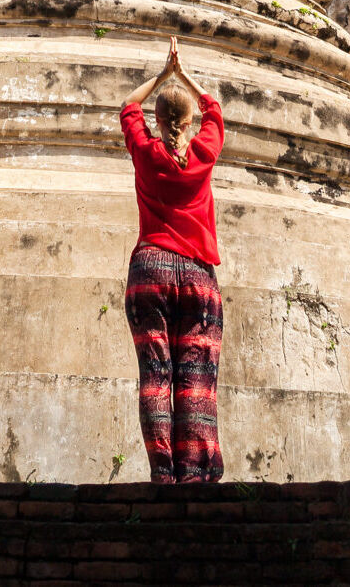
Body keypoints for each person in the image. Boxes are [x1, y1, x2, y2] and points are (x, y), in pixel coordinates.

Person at [119, 36, 225, 483]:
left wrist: (162, 77)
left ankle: (163, 472)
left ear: (158, 120)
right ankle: (195, 473)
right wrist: (183, 76)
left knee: (156, 374)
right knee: (195, 379)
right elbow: (214, 107)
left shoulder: (146, 152)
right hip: (198, 276)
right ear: (190, 122)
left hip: (151, 270)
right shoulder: (204, 150)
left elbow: (128, 106)